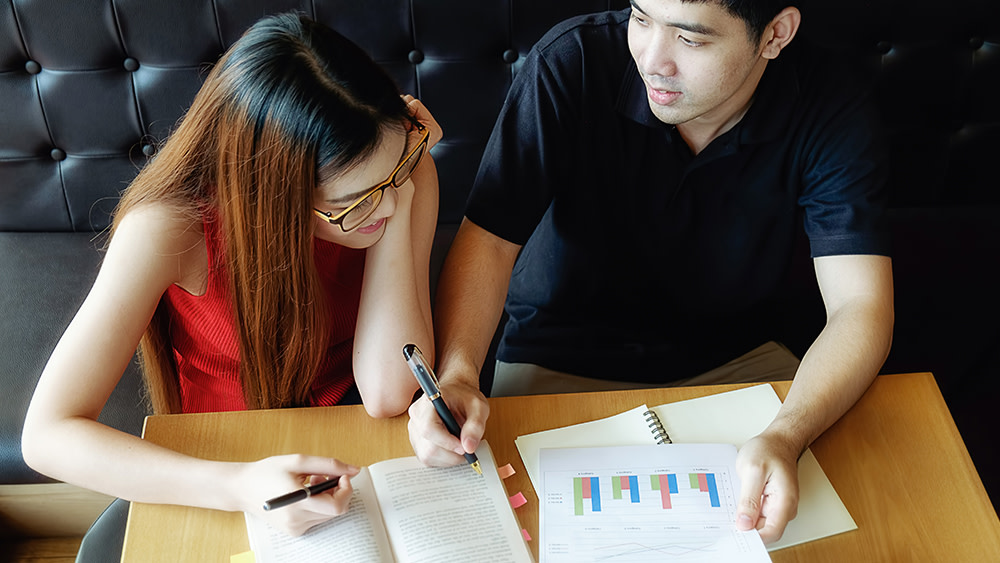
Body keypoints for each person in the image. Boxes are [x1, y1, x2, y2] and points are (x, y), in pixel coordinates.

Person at [408, 0, 893, 544]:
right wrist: (456, 375)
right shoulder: (573, 61)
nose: (651, 59)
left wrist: (786, 433)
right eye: (641, 18)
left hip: (741, 360)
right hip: (557, 353)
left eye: (690, 40)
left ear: (775, 34)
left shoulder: (830, 100)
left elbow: (861, 307)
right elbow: (490, 240)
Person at [22, 12, 441, 539]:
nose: (380, 207)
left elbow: (386, 392)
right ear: (271, 197)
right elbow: (46, 436)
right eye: (349, 203)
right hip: (224, 459)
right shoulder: (167, 229)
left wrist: (402, 183)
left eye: (392, 174)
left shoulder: (401, 168)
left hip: (354, 438)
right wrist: (239, 486)